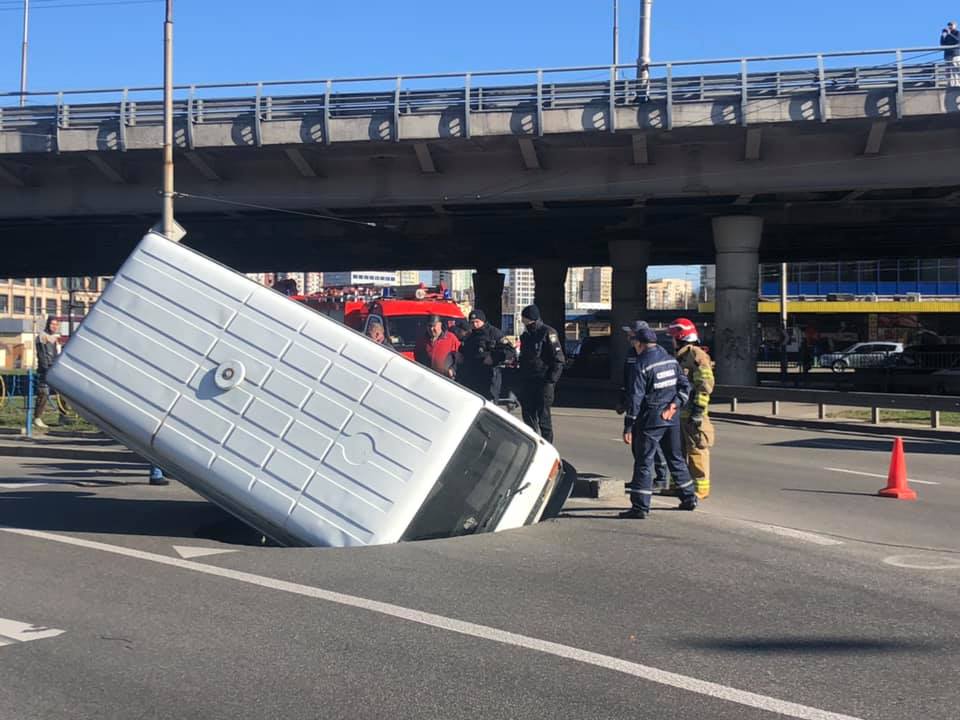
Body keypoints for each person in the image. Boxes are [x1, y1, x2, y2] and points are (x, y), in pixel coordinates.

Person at [620, 326, 698, 519]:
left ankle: (640, 507)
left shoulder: (641, 364)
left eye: (634, 342)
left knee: (644, 462)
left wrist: (628, 425)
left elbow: (636, 398)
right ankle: (689, 497)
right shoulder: (671, 360)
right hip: (671, 417)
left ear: (639, 343)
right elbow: (684, 386)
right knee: (676, 458)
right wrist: (674, 405)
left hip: (651, 418)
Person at [617, 321, 670, 490]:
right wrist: (623, 399)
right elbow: (627, 378)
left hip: (651, 406)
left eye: (631, 334)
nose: (628, 337)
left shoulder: (658, 353)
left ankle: (661, 478)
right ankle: (640, 478)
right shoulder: (631, 353)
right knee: (637, 445)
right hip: (635, 404)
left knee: (652, 445)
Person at [668, 317, 715, 500]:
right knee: (676, 451)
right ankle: (678, 486)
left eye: (673, 337)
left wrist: (697, 412)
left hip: (693, 414)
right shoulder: (679, 357)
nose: (671, 340)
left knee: (696, 450)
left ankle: (700, 488)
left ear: (680, 336)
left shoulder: (697, 356)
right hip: (678, 413)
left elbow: (705, 385)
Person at [517, 304, 564, 442]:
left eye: (524, 318)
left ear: (530, 318)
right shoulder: (526, 335)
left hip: (543, 381)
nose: (522, 321)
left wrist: (551, 380)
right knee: (528, 414)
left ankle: (547, 445)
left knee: (543, 418)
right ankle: (533, 442)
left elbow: (559, 359)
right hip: (528, 380)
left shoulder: (548, 332)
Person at [457, 309, 516, 401]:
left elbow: (510, 350)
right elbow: (462, 351)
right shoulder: (469, 336)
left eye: (477, 322)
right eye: (472, 322)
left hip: (490, 377)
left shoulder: (494, 333)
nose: (475, 325)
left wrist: (494, 357)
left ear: (483, 321)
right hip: (472, 377)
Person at [33, 317, 61, 429]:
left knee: (61, 393)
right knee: (43, 392)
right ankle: (37, 417)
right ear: (47, 324)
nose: (54, 326)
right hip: (46, 369)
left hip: (52, 368)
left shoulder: (53, 338)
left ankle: (63, 415)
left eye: (56, 324)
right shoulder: (42, 336)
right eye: (52, 324)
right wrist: (46, 368)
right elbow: (43, 354)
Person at [942, 21, 960, 86]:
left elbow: (957, 40)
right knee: (948, 70)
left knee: (956, 68)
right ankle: (950, 83)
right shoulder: (947, 34)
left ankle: (957, 83)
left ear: (955, 25)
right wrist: (942, 36)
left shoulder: (957, 32)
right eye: (949, 25)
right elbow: (942, 45)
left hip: (955, 54)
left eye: (951, 25)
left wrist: (949, 34)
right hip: (947, 55)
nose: (950, 26)